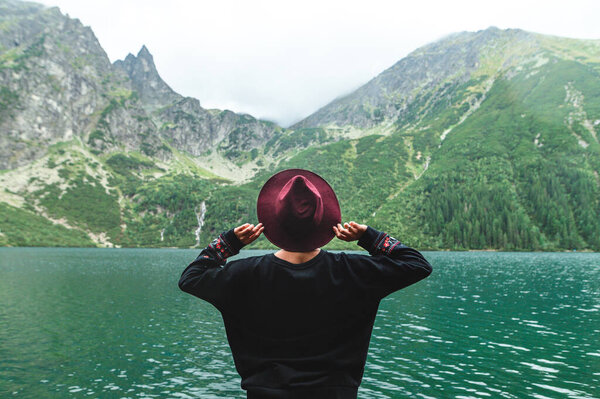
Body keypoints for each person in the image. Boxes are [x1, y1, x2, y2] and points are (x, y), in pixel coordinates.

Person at [178, 168, 432, 399]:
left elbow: (191, 277)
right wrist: (369, 237)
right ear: (323, 221)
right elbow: (416, 264)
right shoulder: (356, 271)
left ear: (275, 222)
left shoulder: (242, 274)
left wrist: (228, 243)